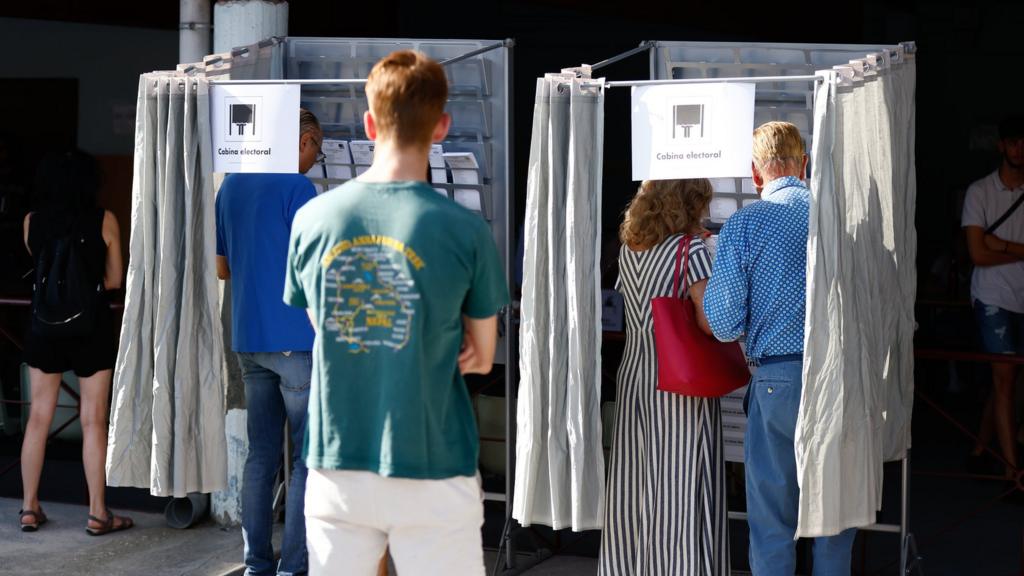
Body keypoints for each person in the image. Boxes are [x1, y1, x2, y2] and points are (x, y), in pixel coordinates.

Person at [284, 50, 508, 575]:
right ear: (442, 127)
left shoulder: (312, 220)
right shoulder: (464, 228)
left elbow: (323, 326)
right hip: (434, 458)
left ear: (368, 124)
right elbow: (482, 357)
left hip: (338, 461)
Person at [703, 122, 857, 575]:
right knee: (833, 514)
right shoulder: (837, 218)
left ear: (755, 174)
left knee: (772, 520)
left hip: (778, 381)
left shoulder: (745, 224)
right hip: (838, 376)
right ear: (803, 164)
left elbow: (724, 324)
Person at [598, 179, 729, 576]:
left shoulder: (630, 249)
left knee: (636, 479)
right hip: (680, 382)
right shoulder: (690, 251)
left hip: (636, 372)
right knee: (681, 479)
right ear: (690, 203)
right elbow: (710, 323)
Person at [215, 109, 323, 576]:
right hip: (295, 339)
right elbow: (313, 269)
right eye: (317, 151)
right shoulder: (298, 189)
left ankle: (257, 564)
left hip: (248, 337)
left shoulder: (232, 185)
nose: (315, 161)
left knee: (261, 454)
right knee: (306, 457)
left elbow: (223, 268)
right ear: (304, 140)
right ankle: (293, 566)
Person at [19, 149, 132, 535]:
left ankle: (30, 508)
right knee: (92, 420)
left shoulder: (32, 222)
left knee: (38, 417)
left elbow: (41, 266)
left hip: (44, 327)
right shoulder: (105, 220)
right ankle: (98, 513)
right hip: (91, 327)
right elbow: (115, 279)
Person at [962, 115, 1024, 485]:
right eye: (1014, 141)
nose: (1020, 149)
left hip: (1016, 293)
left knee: (1009, 379)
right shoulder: (980, 191)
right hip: (993, 296)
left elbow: (985, 249)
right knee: (1004, 379)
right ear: (1001, 145)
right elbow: (977, 255)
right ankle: (1013, 471)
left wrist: (997, 245)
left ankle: (980, 448)